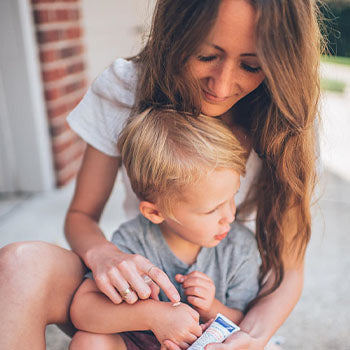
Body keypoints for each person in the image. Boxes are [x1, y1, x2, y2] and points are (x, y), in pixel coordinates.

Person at [0, 0, 323, 349]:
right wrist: (105, 257)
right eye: (205, 56)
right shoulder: (125, 90)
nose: (222, 84)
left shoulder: (286, 121)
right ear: (178, 35)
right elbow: (81, 215)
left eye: (251, 65)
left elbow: (288, 269)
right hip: (133, 311)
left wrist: (249, 337)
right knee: (20, 266)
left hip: (212, 331)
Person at [69, 109, 260, 349]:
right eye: (211, 210)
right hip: (141, 342)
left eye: (232, 198)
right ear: (155, 213)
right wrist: (153, 315)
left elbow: (248, 322)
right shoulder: (134, 241)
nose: (229, 216)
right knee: (88, 341)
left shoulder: (240, 248)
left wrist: (211, 307)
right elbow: (82, 308)